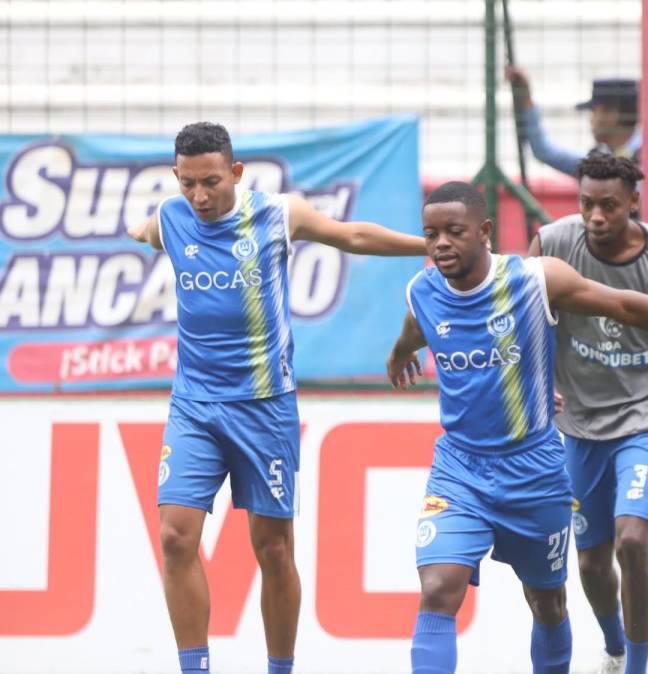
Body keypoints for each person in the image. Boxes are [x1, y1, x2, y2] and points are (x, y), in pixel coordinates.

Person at [385, 181, 648, 674]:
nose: (440, 245)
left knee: (547, 603)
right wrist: (399, 352)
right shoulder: (423, 290)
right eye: (430, 235)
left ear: (486, 232)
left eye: (454, 232)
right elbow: (416, 329)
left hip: (534, 472)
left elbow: (625, 304)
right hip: (460, 470)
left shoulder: (536, 280)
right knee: (437, 588)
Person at [126, 121, 428, 674]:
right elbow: (143, 230)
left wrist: (427, 244)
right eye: (188, 183)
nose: (199, 196)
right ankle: (195, 667)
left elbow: (353, 236)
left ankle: (280, 667)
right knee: (174, 536)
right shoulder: (171, 220)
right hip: (194, 405)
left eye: (211, 182)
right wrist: (134, 227)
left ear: (236, 173)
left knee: (273, 550)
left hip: (264, 407)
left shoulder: (277, 215)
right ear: (176, 178)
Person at [529, 154, 648, 674]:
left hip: (647, 417)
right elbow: (518, 320)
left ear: (634, 202)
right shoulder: (553, 244)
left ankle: (636, 667)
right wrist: (538, 385)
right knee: (589, 560)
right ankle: (613, 649)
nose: (595, 216)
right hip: (580, 426)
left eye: (609, 205)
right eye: (586, 203)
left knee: (631, 540)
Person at [506, 67, 641, 177]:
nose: (591, 120)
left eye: (594, 112)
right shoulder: (599, 160)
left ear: (612, 115)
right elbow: (544, 152)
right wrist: (526, 100)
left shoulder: (644, 158)